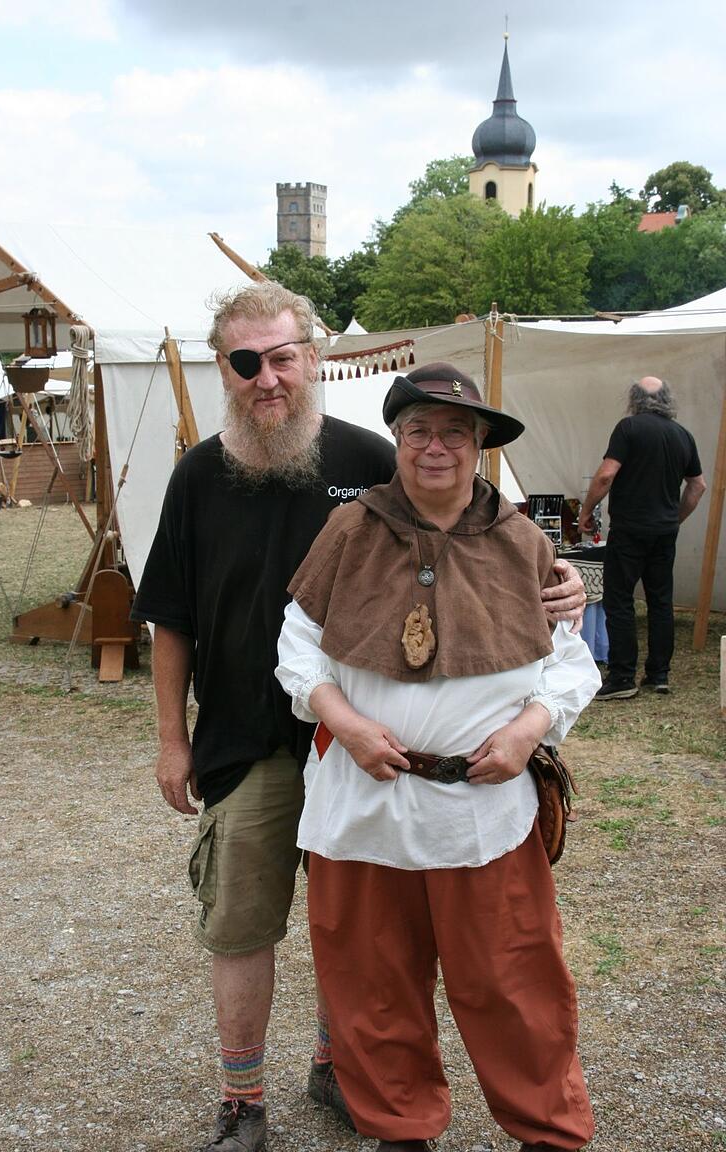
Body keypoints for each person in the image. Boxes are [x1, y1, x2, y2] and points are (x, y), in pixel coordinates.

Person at [131, 285, 588, 1152]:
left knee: (403, 954)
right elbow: (185, 619)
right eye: (244, 362)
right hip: (259, 740)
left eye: (281, 357)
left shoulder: (373, 460)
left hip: (414, 774)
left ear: (313, 357)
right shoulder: (206, 477)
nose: (266, 378)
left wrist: (560, 589)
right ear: (226, 371)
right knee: (265, 925)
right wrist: (173, 737)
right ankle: (245, 1099)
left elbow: (473, 553)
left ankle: (348, 1072)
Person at [276, 363, 600, 1152]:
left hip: (484, 812)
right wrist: (343, 721)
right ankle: (399, 1132)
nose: (435, 447)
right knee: (372, 983)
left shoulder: (524, 543)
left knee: (514, 982)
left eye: (455, 431)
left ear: (481, 443)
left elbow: (570, 664)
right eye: (418, 430)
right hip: (363, 803)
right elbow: (296, 646)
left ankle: (547, 1134)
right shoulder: (349, 530)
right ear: (397, 439)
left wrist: (529, 731)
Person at [578, 375, 706, 699]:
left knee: (619, 599)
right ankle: (659, 674)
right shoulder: (683, 435)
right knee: (660, 601)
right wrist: (675, 518)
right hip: (664, 532)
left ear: (634, 399)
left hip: (630, 528)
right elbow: (697, 486)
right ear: (667, 401)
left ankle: (622, 677)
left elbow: (607, 474)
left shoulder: (629, 429)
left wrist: (586, 510)